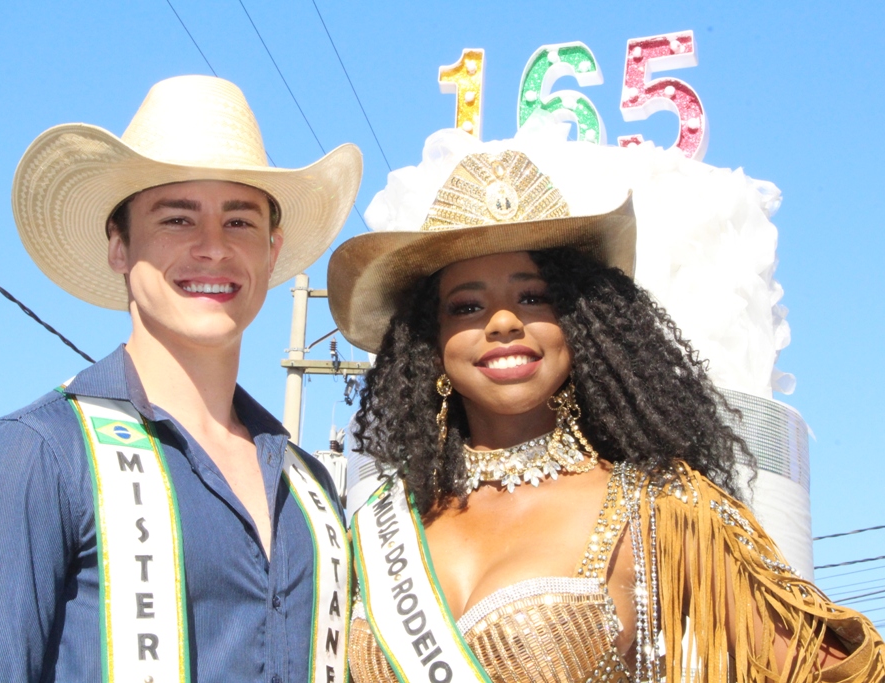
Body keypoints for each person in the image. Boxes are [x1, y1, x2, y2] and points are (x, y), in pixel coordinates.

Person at [327, 135, 885, 682]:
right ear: (432, 343)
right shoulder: (380, 525)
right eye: (467, 305)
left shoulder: (659, 506)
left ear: (580, 324)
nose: (503, 323)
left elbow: (828, 668)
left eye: (532, 297)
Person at [0, 75, 361, 682]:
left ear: (273, 250)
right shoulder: (37, 456)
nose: (212, 248)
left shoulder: (310, 489)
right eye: (177, 220)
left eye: (240, 222)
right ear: (119, 247)